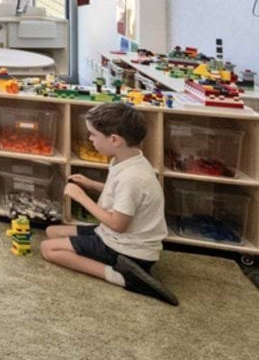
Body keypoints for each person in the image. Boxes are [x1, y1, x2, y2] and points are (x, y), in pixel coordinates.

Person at [42, 103, 177, 304]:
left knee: (48, 248)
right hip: (116, 236)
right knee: (52, 231)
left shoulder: (132, 178)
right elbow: (121, 196)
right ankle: (120, 264)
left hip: (126, 248)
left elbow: (118, 225)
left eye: (94, 135)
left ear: (114, 140)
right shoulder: (131, 160)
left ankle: (123, 276)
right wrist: (91, 184)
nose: (90, 139)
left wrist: (81, 197)